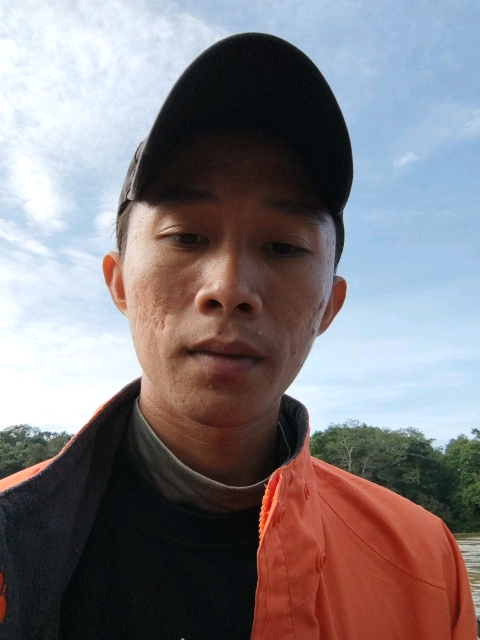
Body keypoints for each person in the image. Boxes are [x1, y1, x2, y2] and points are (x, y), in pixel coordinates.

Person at [0, 33, 476, 640]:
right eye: (186, 237)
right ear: (119, 284)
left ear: (329, 306)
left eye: (282, 246)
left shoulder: (424, 563)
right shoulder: (11, 539)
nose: (229, 288)